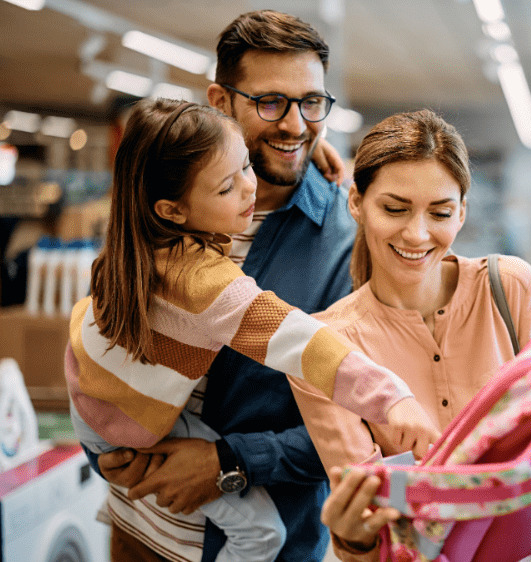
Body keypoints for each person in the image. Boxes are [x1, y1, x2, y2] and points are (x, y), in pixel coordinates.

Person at [67, 97, 439, 562]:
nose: (250, 187)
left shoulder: (130, 244)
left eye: (246, 165)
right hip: (128, 436)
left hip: (91, 399)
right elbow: (305, 345)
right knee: (262, 534)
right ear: (173, 210)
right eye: (228, 186)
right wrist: (394, 398)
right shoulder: (204, 283)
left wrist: (318, 152)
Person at [83, 11, 378, 562]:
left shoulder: (346, 242)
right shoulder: (164, 203)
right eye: (270, 102)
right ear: (220, 101)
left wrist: (230, 462)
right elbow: (109, 325)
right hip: (136, 525)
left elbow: (365, 425)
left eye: (311, 102)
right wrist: (100, 443)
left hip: (257, 542)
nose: (295, 125)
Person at [287, 109, 531, 561]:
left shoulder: (510, 288)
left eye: (440, 212)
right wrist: (353, 538)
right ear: (356, 203)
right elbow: (371, 530)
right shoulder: (326, 348)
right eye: (394, 208)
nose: (417, 233)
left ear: (462, 212)